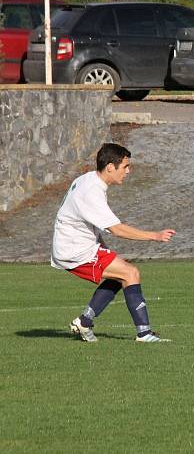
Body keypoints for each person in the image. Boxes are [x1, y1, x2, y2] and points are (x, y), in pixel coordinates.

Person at [51, 143, 175, 343]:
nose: (128, 171)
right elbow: (117, 229)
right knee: (130, 273)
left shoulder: (89, 180)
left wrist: (101, 245)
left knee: (122, 273)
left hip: (78, 245)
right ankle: (144, 334)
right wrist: (155, 235)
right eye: (125, 166)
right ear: (110, 167)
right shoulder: (91, 190)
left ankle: (85, 321)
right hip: (74, 250)